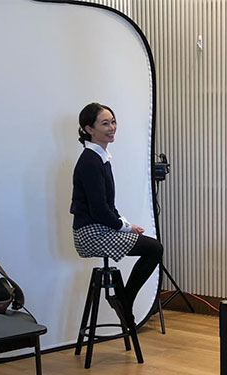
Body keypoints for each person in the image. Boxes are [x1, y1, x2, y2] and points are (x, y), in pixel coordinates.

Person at [70, 102, 163, 319]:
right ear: (89, 129)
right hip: (91, 234)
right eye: (105, 123)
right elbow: (99, 211)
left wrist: (125, 224)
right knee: (154, 249)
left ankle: (124, 300)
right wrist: (125, 227)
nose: (112, 127)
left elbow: (107, 206)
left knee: (153, 248)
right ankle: (125, 299)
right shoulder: (90, 162)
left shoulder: (100, 158)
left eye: (113, 122)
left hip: (99, 227)